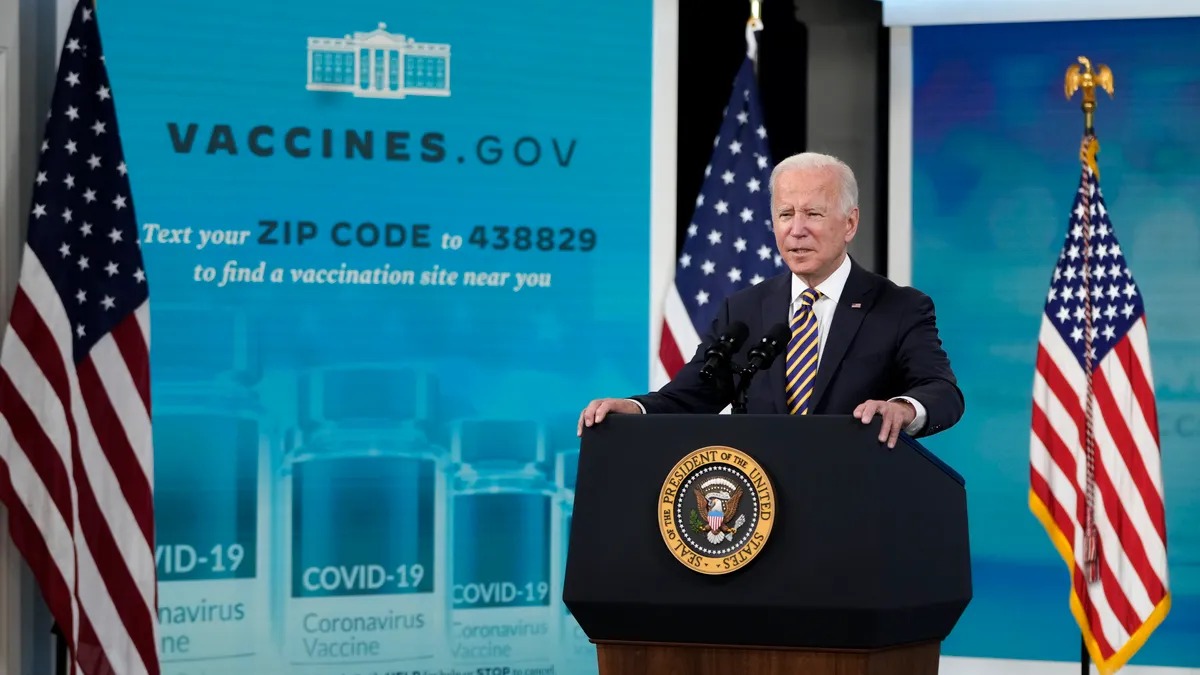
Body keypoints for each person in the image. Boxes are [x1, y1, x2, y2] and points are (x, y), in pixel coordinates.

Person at [577, 152, 963, 448]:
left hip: (856, 506)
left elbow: (942, 392)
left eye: (813, 213)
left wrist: (903, 409)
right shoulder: (744, 310)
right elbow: (693, 394)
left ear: (850, 223)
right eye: (785, 214)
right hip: (761, 511)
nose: (797, 230)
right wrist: (635, 408)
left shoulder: (898, 307)